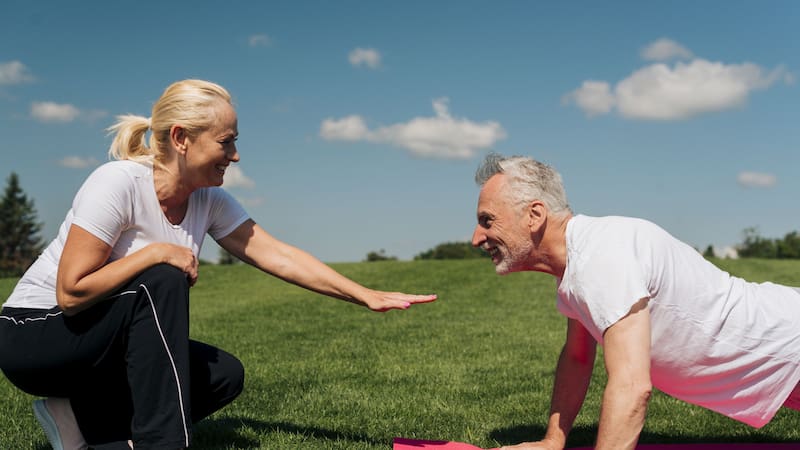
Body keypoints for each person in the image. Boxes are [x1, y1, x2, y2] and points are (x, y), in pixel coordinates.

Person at [0, 79, 436, 450]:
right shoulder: (117, 183)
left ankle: (80, 421)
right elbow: (71, 292)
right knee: (162, 278)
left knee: (222, 375)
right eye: (226, 142)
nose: (236, 155)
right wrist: (156, 253)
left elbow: (277, 253)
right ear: (181, 138)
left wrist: (364, 294)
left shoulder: (208, 200)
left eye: (235, 141)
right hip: (34, 336)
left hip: (94, 345)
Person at [470, 152, 800, 450]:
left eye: (488, 220)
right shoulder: (579, 264)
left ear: (535, 214)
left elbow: (632, 387)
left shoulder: (601, 257)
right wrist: (553, 440)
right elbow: (578, 356)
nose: (476, 238)